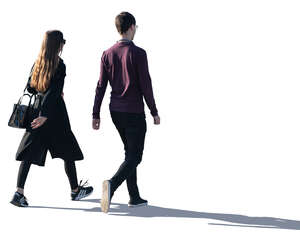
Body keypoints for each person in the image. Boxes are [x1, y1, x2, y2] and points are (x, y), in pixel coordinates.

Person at [10, 30, 93, 207]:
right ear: (58, 44)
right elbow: (54, 92)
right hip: (54, 115)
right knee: (67, 150)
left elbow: (30, 88)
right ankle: (75, 190)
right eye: (62, 41)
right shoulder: (60, 64)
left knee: (28, 152)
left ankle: (19, 193)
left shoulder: (38, 63)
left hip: (35, 113)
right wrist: (45, 115)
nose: (64, 44)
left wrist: (40, 109)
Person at [92, 12, 160, 213]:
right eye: (136, 27)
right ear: (131, 27)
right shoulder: (139, 53)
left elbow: (100, 86)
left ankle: (134, 196)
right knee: (135, 156)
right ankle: (111, 185)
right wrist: (154, 110)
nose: (136, 30)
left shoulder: (107, 53)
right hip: (134, 111)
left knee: (129, 152)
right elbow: (146, 85)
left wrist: (95, 114)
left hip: (115, 111)